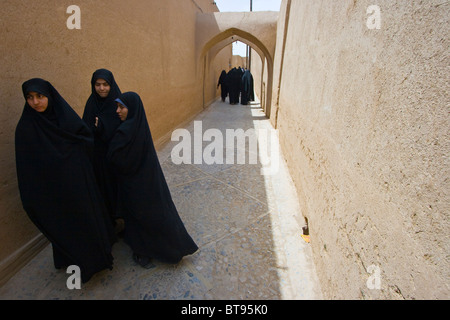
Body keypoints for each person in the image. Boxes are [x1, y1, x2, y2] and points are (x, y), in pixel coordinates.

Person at [15, 78, 116, 283]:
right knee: (65, 226)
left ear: (49, 96)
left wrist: (70, 157)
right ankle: (74, 261)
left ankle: (94, 262)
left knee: (85, 221)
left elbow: (85, 138)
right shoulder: (26, 129)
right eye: (30, 98)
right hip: (52, 190)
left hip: (76, 183)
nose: (35, 102)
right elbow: (27, 166)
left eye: (40, 96)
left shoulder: (64, 118)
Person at [107, 92, 198, 268]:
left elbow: (115, 157)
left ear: (131, 109)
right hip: (143, 181)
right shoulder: (137, 126)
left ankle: (155, 249)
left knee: (143, 216)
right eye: (117, 107)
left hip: (138, 182)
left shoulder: (127, 131)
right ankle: (148, 249)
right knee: (145, 215)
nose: (118, 111)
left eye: (121, 107)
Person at [82, 69, 122, 227]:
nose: (102, 88)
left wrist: (103, 127)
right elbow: (85, 129)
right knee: (102, 190)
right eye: (97, 85)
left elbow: (123, 129)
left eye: (105, 84)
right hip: (98, 158)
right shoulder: (91, 104)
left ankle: (122, 221)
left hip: (115, 157)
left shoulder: (119, 103)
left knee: (117, 190)